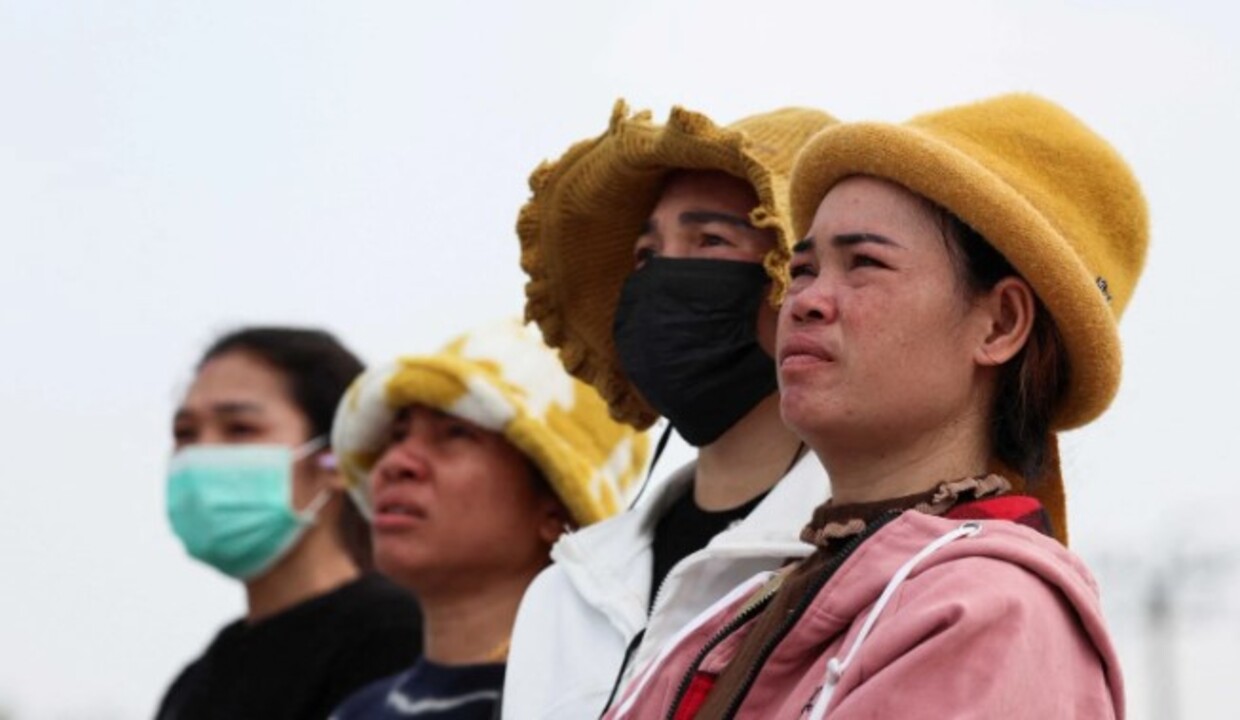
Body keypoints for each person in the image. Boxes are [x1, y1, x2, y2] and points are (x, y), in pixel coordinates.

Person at [605, 93, 1147, 719]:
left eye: (863, 263)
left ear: (999, 323)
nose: (803, 301)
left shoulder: (986, 609)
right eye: (803, 268)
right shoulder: (762, 599)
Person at [504, 101, 839, 719]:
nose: (660, 276)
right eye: (645, 255)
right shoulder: (564, 588)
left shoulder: (865, 564)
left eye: (709, 240)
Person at [328, 319, 648, 720]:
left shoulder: (599, 706)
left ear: (556, 508)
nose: (394, 463)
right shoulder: (356, 711)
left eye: (455, 433)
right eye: (397, 434)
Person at [158, 327, 422, 720]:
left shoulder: (396, 637)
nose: (201, 453)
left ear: (335, 459)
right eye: (185, 433)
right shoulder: (197, 681)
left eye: (240, 429)